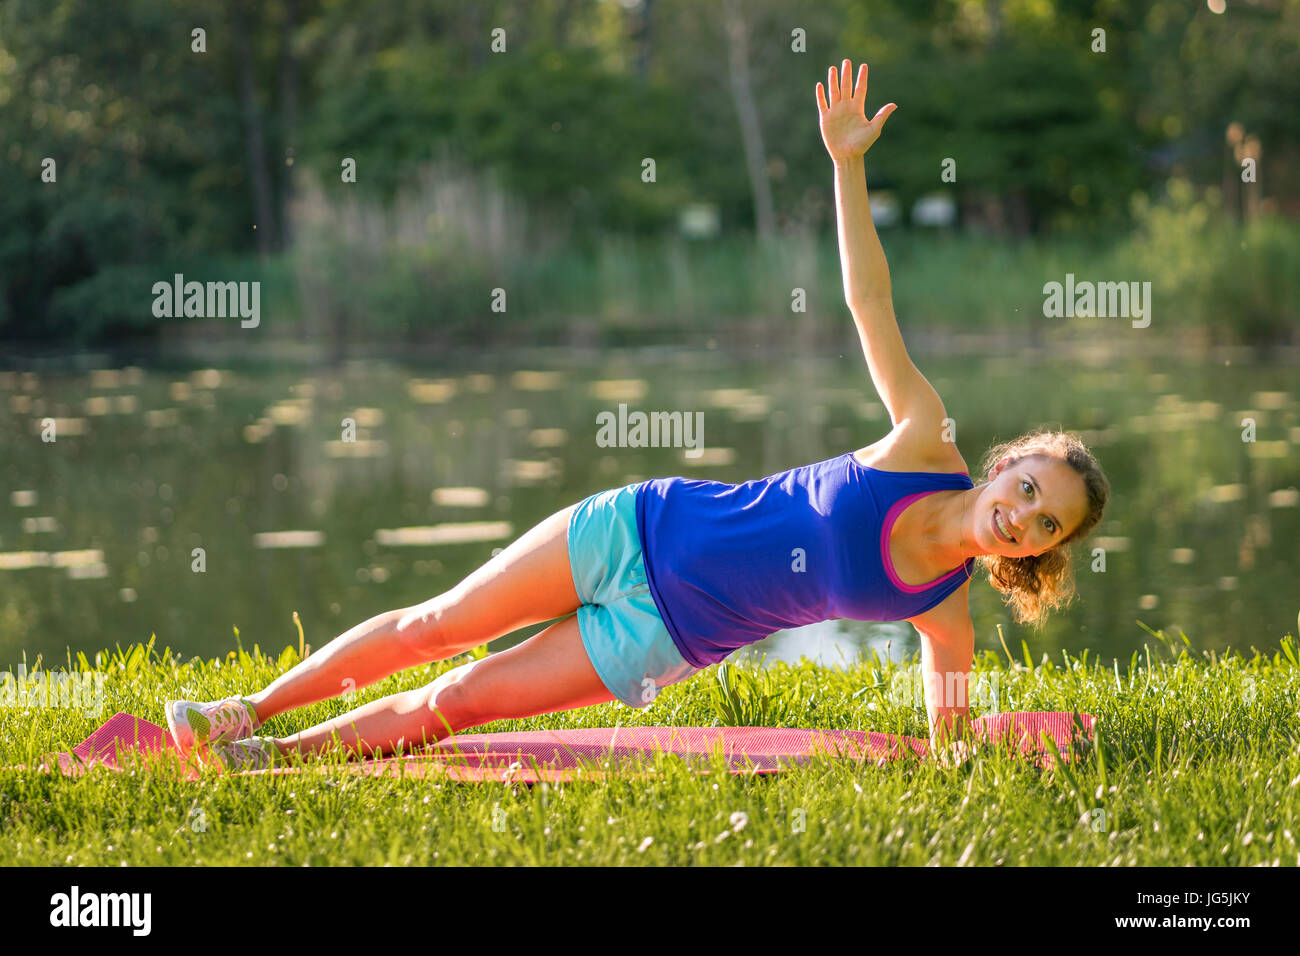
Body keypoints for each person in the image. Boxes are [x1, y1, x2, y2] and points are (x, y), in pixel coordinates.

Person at [165, 58, 1109, 772]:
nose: (1023, 515)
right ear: (1003, 466)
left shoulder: (944, 614)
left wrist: (968, 768)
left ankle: (271, 761)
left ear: (1037, 551)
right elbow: (869, 304)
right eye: (1030, 488)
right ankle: (243, 711)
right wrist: (847, 170)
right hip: (638, 522)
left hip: (663, 640)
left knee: (462, 699)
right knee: (436, 622)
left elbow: (945, 735)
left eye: (1045, 524)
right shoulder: (920, 437)